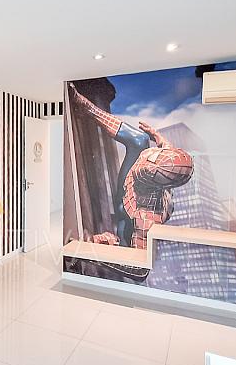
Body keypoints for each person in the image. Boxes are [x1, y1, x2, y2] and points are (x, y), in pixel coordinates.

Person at [68, 82, 194, 249]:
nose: (145, 157)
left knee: (124, 224)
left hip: (130, 218)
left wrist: (107, 243)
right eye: (153, 156)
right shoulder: (166, 164)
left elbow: (136, 262)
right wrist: (157, 136)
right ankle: (86, 107)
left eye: (149, 160)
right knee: (140, 140)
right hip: (138, 188)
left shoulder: (148, 220)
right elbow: (170, 154)